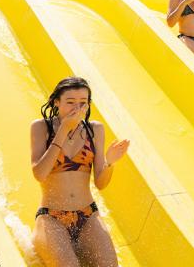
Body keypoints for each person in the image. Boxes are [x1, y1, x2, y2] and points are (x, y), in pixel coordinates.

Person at [31, 77, 130, 266]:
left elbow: (100, 183)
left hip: (87, 215)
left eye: (83, 103)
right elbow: (39, 174)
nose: (77, 108)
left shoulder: (95, 130)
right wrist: (64, 130)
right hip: (52, 218)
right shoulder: (40, 127)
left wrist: (110, 162)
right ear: (56, 102)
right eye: (70, 102)